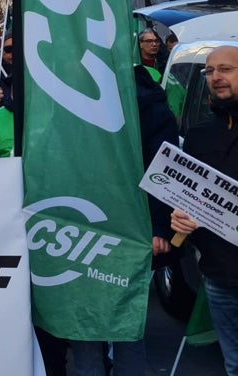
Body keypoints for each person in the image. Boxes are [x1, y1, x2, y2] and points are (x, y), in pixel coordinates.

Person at [70, 63, 180, 375]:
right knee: (83, 316)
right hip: (82, 222)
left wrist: (158, 226)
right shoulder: (74, 101)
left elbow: (163, 170)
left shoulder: (148, 110)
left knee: (124, 313)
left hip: (131, 227)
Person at [170, 46, 238, 375]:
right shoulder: (200, 134)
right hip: (219, 279)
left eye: (226, 69)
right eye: (210, 71)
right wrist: (180, 217)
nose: (216, 77)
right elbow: (191, 198)